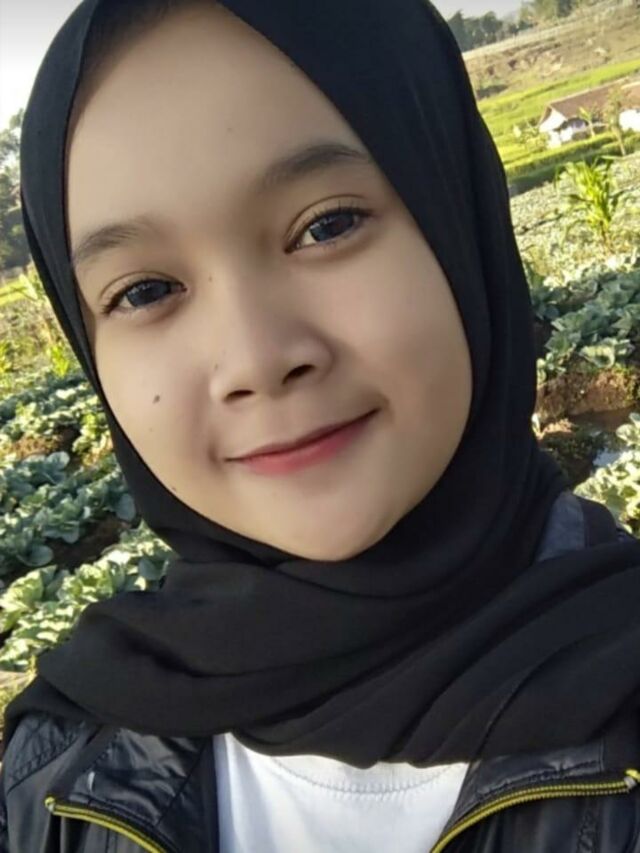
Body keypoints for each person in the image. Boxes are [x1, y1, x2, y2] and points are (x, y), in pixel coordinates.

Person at [1, 0, 640, 850]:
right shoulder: (50, 783)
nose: (256, 357)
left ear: (457, 216)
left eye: (326, 226)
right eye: (145, 291)